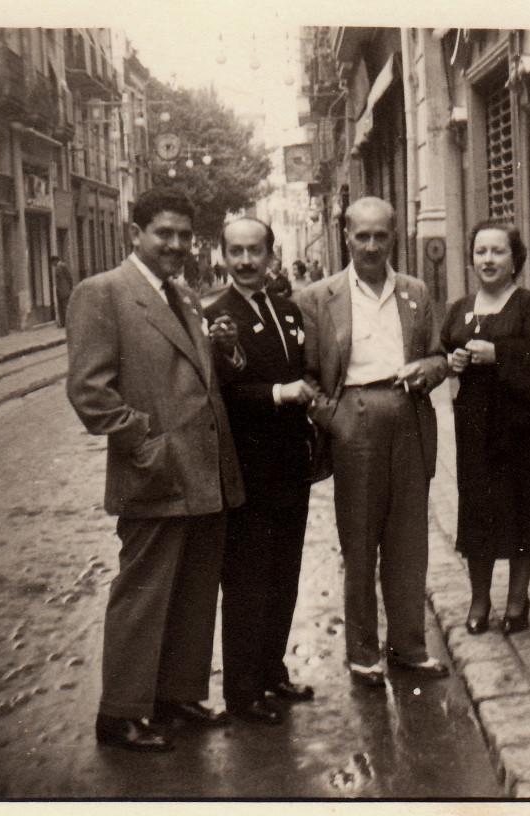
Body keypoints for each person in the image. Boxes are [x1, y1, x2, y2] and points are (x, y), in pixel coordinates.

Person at [65, 187, 245, 752]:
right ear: (135, 234)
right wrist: (144, 441)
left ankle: (177, 695)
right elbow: (90, 393)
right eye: (163, 233)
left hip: (204, 471)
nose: (175, 244)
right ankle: (119, 713)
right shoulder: (102, 293)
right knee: (142, 593)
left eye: (184, 235)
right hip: (157, 471)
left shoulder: (184, 295)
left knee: (194, 588)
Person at [296, 196, 450, 687]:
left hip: (408, 415)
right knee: (360, 542)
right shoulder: (319, 297)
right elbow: (305, 375)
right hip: (354, 418)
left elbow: (439, 356)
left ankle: (409, 647)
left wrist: (427, 371)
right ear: (346, 236)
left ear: (394, 237)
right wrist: (334, 418)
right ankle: (363, 654)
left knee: (408, 542)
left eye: (380, 236)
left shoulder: (415, 292)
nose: (370, 245)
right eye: (361, 235)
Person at [206, 217, 317, 726]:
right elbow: (223, 393)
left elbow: (302, 370)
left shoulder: (287, 310)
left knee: (284, 574)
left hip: (291, 464)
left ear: (271, 255)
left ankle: (273, 670)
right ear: (224, 256)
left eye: (255, 251)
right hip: (248, 469)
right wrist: (278, 393)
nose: (246, 261)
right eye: (236, 251)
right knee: (248, 581)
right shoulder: (217, 318)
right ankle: (243, 691)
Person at [441, 221, 530, 636]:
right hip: (475, 427)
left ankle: (517, 600)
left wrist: (500, 354)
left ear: (515, 259)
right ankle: (480, 599)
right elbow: (446, 349)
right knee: (478, 510)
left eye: (497, 251)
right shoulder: (460, 308)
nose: (487, 260)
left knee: (523, 507)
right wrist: (453, 362)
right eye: (481, 252)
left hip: (521, 428)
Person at [53, 256, 73, 328]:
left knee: (65, 307)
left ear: (55, 261)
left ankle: (67, 322)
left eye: (53, 263)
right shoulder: (59, 267)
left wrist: (69, 287)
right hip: (61, 291)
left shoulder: (62, 266)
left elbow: (69, 277)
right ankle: (64, 323)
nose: (53, 265)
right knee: (62, 307)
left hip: (64, 290)